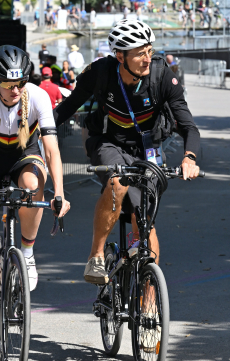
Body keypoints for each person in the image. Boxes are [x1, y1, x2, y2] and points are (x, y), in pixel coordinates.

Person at [54, 19, 200, 285]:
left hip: (148, 149)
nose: (147, 58)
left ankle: (150, 305)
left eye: (149, 50)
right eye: (140, 53)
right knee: (117, 183)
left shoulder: (161, 75)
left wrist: (189, 158)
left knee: (144, 220)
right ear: (120, 56)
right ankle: (96, 255)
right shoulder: (101, 73)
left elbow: (189, 126)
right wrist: (35, 134)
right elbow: (67, 107)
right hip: (108, 142)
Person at [0, 45, 70, 354]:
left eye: (20, 83)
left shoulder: (37, 97)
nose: (15, 90)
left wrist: (60, 193)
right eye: (8, 84)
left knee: (33, 183)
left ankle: (27, 250)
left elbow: (52, 151)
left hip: (26, 156)